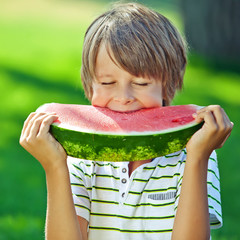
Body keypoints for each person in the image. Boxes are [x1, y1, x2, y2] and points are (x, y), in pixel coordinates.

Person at [19, 2, 233, 240]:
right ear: (89, 85)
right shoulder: (81, 158)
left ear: (168, 84)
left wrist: (198, 158)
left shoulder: (195, 153)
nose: (123, 98)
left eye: (141, 84)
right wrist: (55, 166)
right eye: (107, 83)